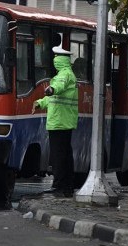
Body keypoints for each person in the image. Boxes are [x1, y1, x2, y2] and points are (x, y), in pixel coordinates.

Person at [32, 46, 78, 197]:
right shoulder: (65, 73)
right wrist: (40, 102)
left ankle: (59, 186)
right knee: (64, 154)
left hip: (60, 121)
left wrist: (51, 89)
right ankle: (67, 187)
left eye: (56, 57)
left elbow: (57, 88)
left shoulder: (64, 75)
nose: (54, 60)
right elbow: (54, 98)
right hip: (62, 120)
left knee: (59, 155)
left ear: (60, 60)